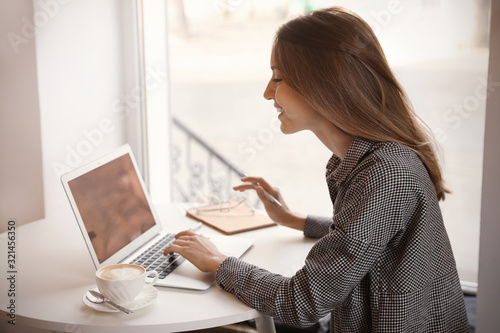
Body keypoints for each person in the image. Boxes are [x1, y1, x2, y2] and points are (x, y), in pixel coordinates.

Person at [164, 6, 470, 332]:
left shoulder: (386, 174)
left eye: (278, 77)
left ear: (324, 84)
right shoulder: (365, 159)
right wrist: (293, 220)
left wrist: (217, 262)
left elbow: (304, 302)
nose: (267, 92)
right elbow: (364, 238)